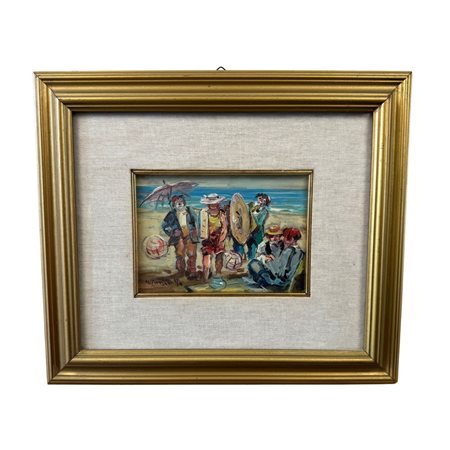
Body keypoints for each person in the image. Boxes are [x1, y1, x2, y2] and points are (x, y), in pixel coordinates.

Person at [246, 227, 304, 291]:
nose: (283, 239)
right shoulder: (273, 246)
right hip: (272, 274)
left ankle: (266, 282)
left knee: (255, 265)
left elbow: (283, 272)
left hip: (279, 280)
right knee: (253, 263)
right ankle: (265, 281)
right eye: (271, 236)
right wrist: (265, 259)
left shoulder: (294, 251)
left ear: (293, 239)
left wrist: (271, 262)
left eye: (285, 237)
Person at [161, 195, 199, 279]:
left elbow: (196, 221)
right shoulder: (171, 214)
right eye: (177, 202)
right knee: (180, 254)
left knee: (192, 253)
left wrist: (196, 230)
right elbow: (164, 225)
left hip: (190, 234)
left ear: (184, 203)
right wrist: (172, 232)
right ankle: (181, 271)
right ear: (174, 205)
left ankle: (192, 271)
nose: (179, 204)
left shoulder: (189, 210)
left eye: (181, 202)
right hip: (178, 237)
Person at [199, 193, 228, 281]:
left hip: (219, 238)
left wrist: (221, 240)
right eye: (211, 204)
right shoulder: (204, 213)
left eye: (215, 203)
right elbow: (200, 227)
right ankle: (206, 276)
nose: (213, 205)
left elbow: (224, 228)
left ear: (218, 204)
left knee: (219, 257)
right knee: (206, 257)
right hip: (207, 238)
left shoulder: (221, 214)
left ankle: (218, 274)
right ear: (208, 205)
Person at [247, 193, 271, 259]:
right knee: (250, 247)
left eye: (263, 199)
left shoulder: (265, 211)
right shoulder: (253, 207)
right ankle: (251, 260)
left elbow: (259, 223)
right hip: (250, 231)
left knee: (259, 248)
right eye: (259, 198)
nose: (260, 200)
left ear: (265, 201)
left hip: (258, 232)